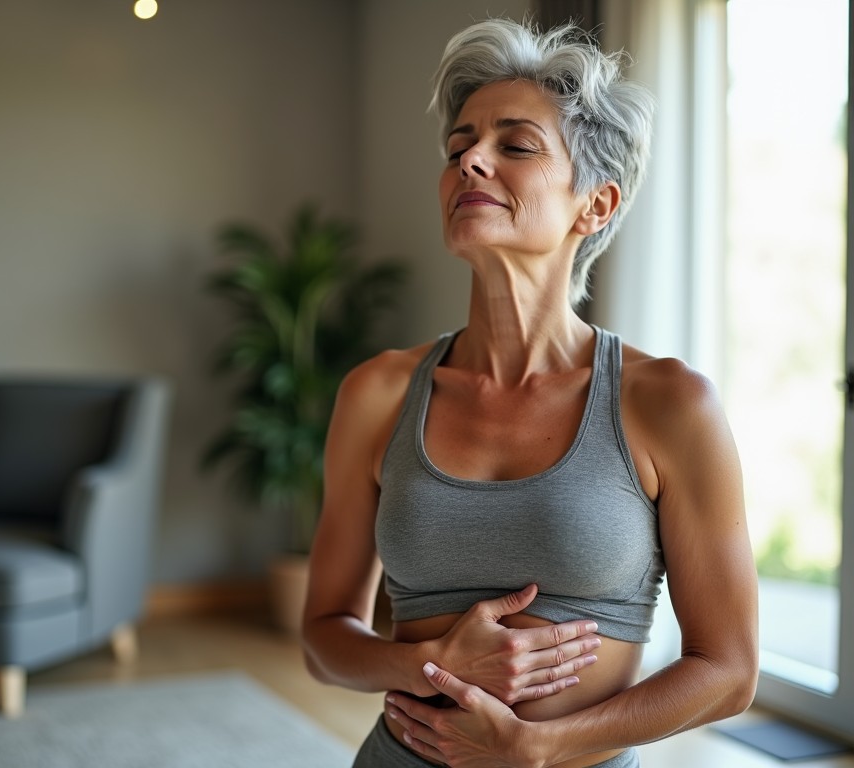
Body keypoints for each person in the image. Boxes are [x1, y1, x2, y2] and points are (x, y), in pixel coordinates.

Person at [301, 16, 759, 768]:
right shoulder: (378, 392)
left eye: (514, 145)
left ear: (596, 205)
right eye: (458, 148)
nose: (470, 161)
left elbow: (730, 670)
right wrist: (430, 662)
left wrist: (540, 747)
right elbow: (325, 635)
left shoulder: (670, 404)